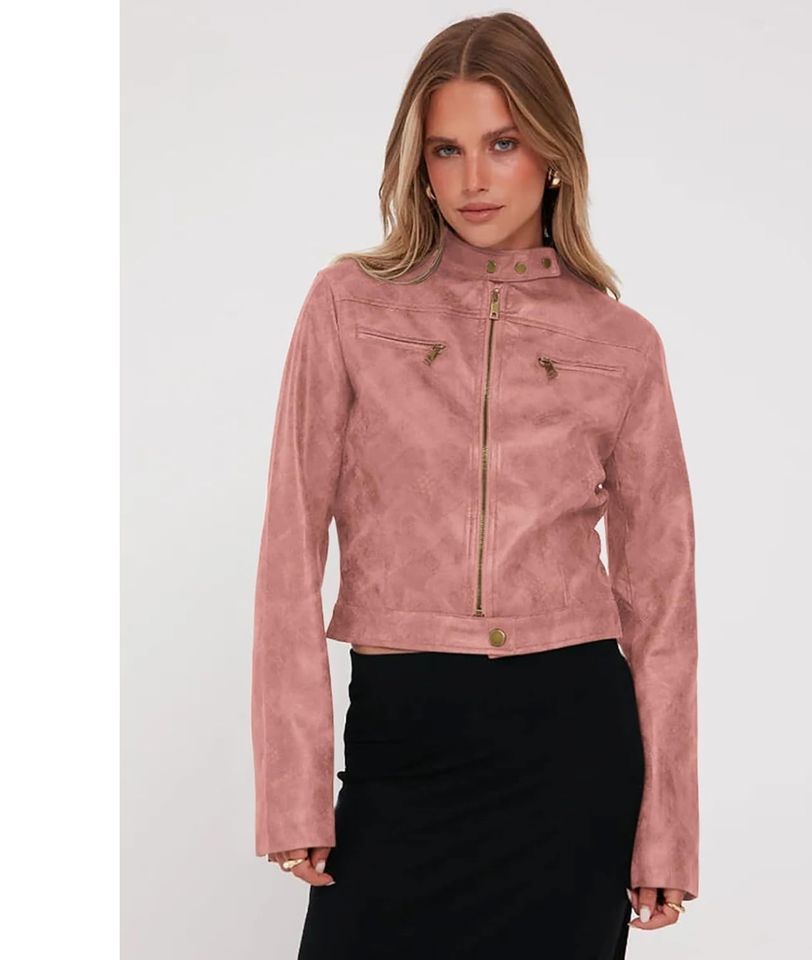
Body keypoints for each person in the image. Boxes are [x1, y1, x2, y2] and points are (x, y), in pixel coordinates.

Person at [250, 12, 699, 959]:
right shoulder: (348, 305)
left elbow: (662, 601)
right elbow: (288, 547)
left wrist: (669, 820)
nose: (473, 179)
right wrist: (294, 783)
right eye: (446, 150)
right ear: (418, 163)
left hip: (571, 750)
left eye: (502, 143)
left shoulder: (623, 345)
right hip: (401, 739)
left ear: (553, 150)